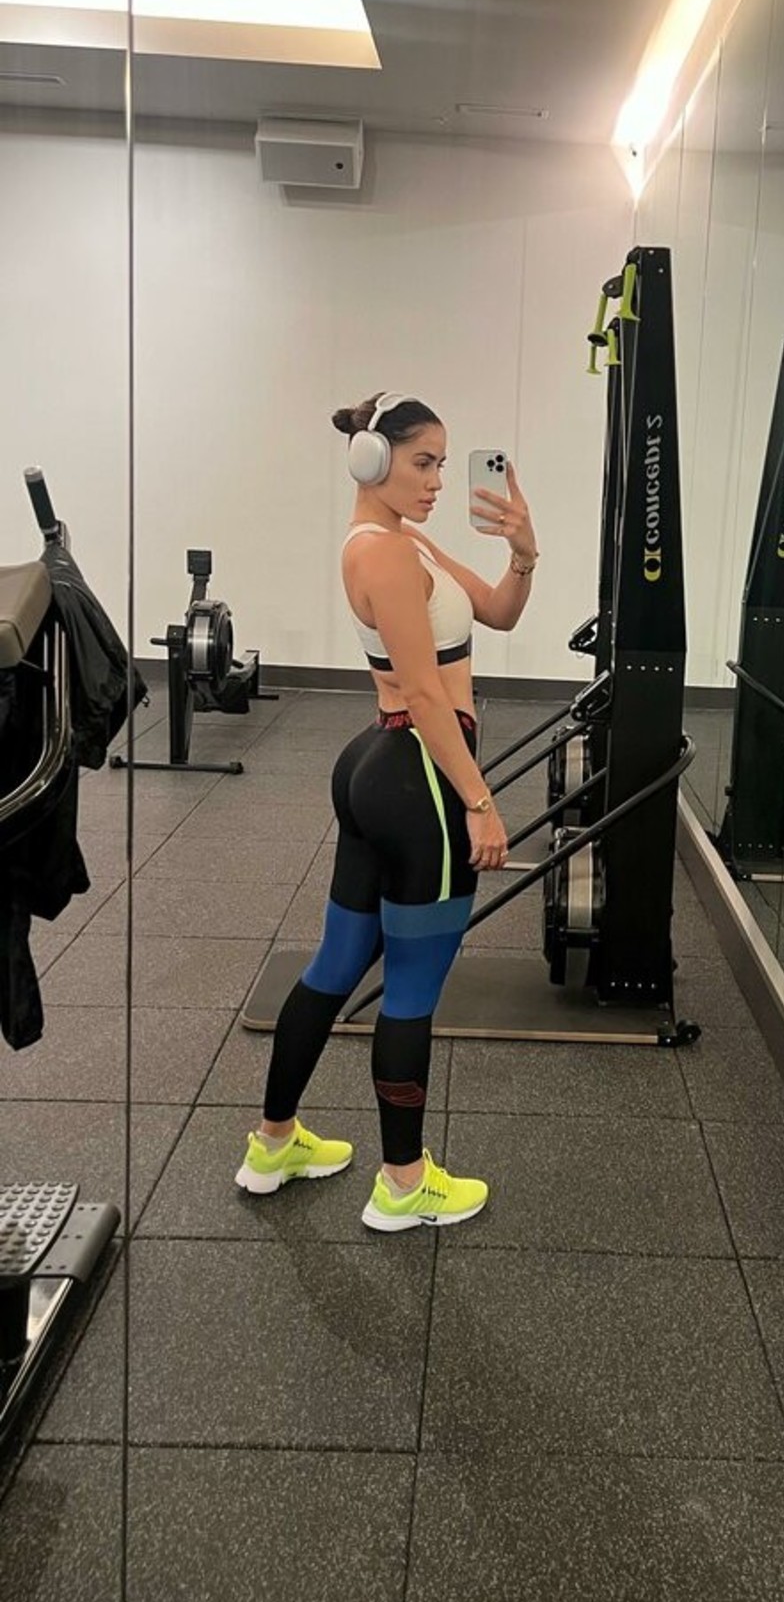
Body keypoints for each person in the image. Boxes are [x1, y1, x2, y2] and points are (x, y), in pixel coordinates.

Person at [235, 392, 538, 1229]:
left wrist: (524, 551)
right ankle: (404, 1184)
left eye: (441, 462)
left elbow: (499, 610)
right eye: (422, 462)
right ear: (373, 461)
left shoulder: (402, 542)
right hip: (420, 779)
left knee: (336, 965)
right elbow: (426, 694)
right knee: (411, 988)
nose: (437, 479)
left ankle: (274, 1143)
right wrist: (479, 800)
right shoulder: (388, 556)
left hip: (378, 765)